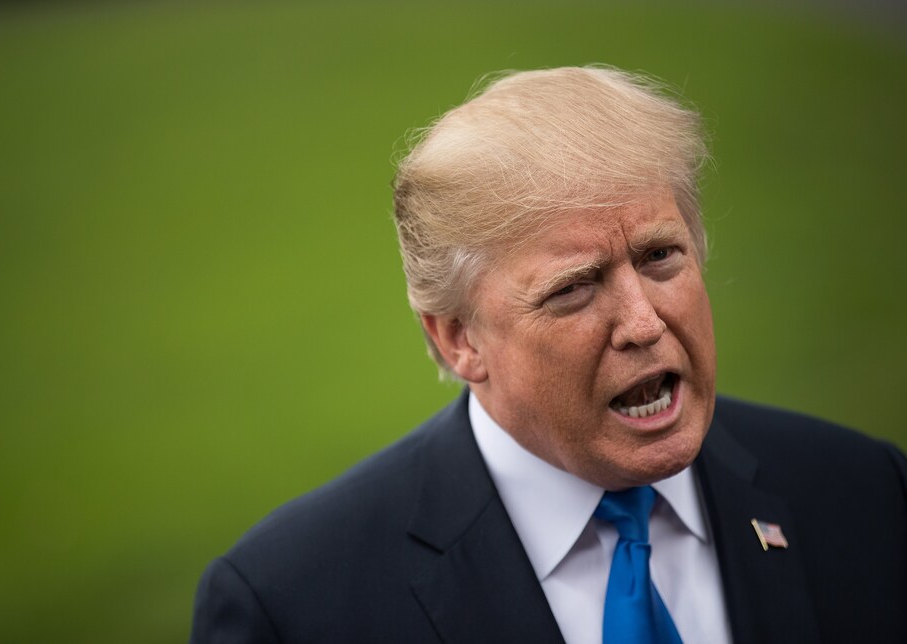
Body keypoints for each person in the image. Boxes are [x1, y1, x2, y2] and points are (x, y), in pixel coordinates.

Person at [190, 66, 907, 643]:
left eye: (660, 256)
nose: (642, 320)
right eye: (575, 288)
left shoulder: (866, 494)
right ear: (458, 338)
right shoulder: (291, 605)